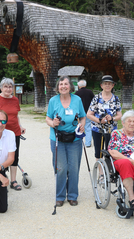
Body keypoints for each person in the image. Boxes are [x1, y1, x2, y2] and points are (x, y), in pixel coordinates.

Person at [46, 76, 86, 207]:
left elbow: (83, 116)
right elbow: (48, 118)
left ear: (70, 86)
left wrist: (82, 125)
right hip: (58, 138)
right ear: (58, 87)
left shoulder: (77, 99)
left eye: (66, 84)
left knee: (74, 167)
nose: (63, 86)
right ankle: (60, 196)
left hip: (74, 138)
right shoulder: (53, 100)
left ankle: (73, 196)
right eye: (61, 84)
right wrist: (53, 123)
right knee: (61, 168)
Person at [0, 78, 26, 191]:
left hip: (14, 133)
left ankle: (13, 181)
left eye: (10, 87)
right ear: (1, 88)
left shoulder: (15, 100)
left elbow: (15, 116)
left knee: (14, 157)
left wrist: (20, 126)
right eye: (5, 86)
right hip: (0, 133)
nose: (8, 89)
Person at [87, 75, 122, 161]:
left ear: (113, 85)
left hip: (111, 130)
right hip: (97, 129)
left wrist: (112, 118)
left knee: (111, 152)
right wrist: (99, 120)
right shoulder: (96, 98)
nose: (107, 85)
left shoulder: (116, 99)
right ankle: (101, 173)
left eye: (109, 84)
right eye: (105, 84)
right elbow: (89, 114)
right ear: (101, 85)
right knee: (98, 153)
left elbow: (120, 115)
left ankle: (110, 171)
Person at [75, 79, 95, 147]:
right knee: (88, 127)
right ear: (85, 85)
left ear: (78, 85)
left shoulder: (77, 93)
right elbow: (94, 101)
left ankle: (80, 143)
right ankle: (88, 143)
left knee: (80, 127)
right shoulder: (90, 92)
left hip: (80, 113)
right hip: (89, 112)